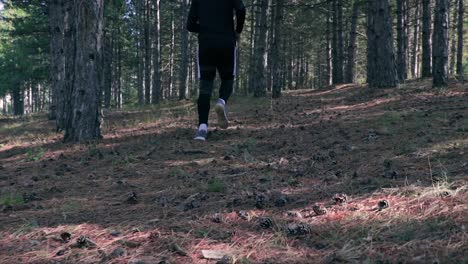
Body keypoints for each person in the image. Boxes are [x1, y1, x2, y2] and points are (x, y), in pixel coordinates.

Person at [187, 0, 246, 141]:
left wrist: (205, 28)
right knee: (228, 78)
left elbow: (190, 25)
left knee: (205, 84)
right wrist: (237, 31)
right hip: (227, 42)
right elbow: (241, 9)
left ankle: (202, 129)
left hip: (206, 44)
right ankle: (221, 101)